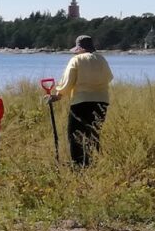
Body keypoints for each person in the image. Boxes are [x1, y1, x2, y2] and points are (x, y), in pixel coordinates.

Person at [47, 34, 113, 166]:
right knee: (93, 133)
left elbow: (68, 82)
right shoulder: (102, 59)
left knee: (75, 134)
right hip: (102, 102)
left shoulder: (76, 60)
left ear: (80, 48)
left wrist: (58, 95)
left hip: (81, 102)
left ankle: (79, 164)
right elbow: (109, 77)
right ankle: (95, 162)